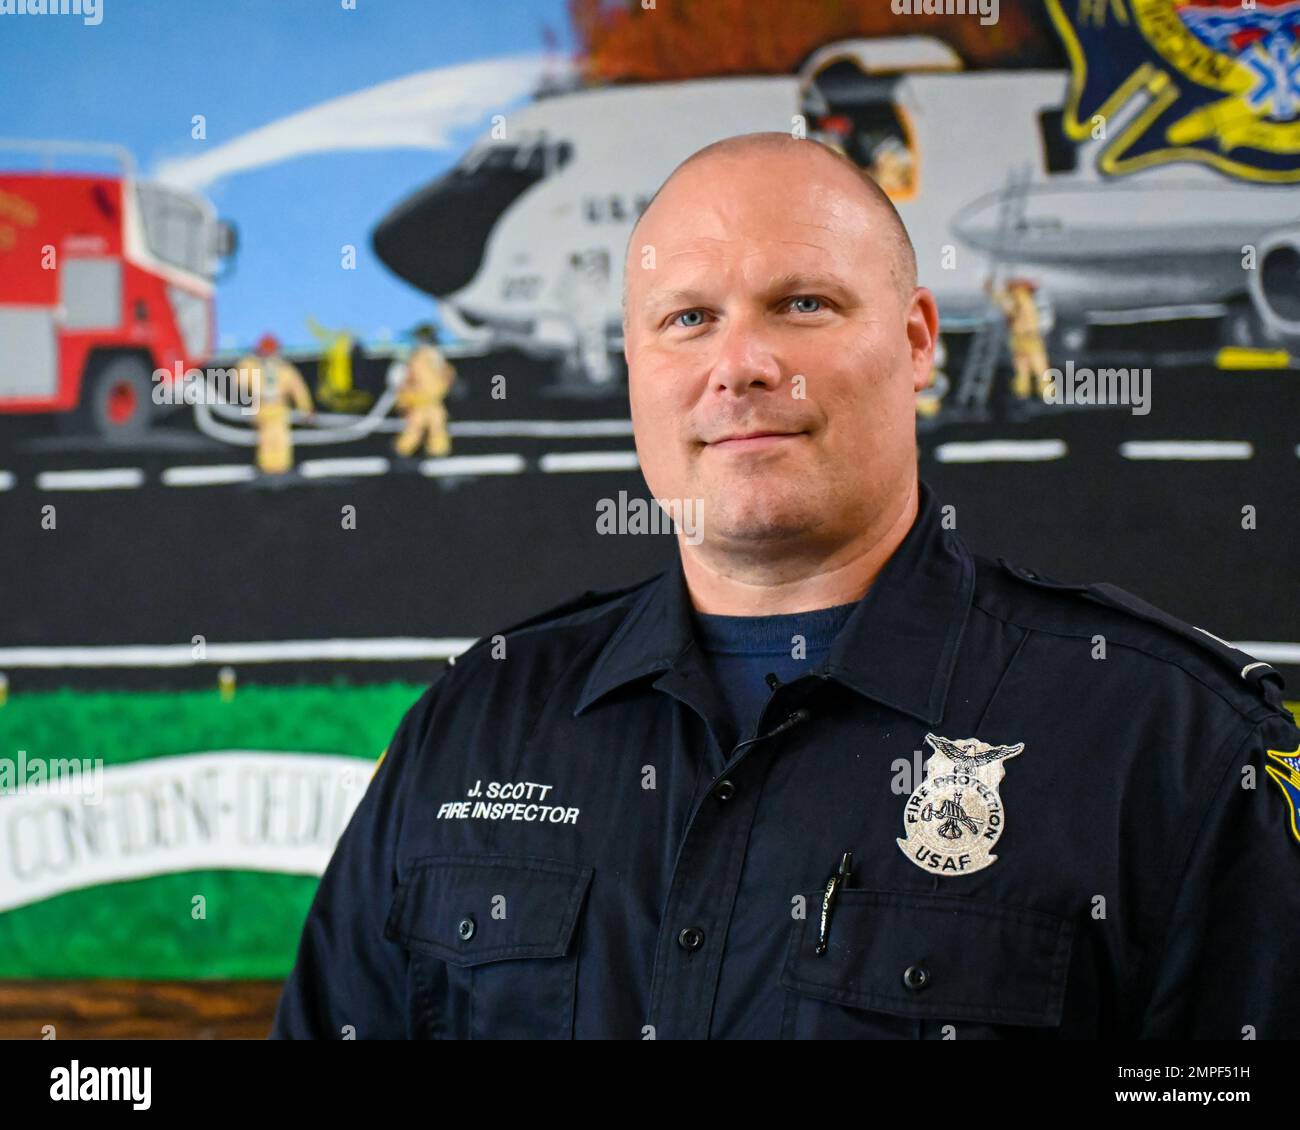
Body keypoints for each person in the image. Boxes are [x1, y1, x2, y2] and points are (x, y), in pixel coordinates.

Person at [271, 132, 1300, 1040]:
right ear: (635, 365)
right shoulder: (473, 723)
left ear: (914, 345)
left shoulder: (1176, 751)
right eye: (686, 319)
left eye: (801, 303)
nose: (743, 363)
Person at [237, 334, 313, 475]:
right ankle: (266, 467)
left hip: (279, 410)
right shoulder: (251, 367)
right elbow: (237, 381)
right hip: (261, 409)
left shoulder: (285, 370)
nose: (269, 356)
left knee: (281, 439)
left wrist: (306, 408)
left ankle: (282, 467)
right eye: (265, 351)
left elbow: (298, 389)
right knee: (266, 440)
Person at [393, 323, 455, 458]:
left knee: (437, 424)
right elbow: (403, 380)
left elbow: (445, 375)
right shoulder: (415, 359)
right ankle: (402, 452)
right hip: (418, 402)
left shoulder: (435, 357)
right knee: (415, 427)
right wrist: (404, 398)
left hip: (432, 402)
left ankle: (438, 453)